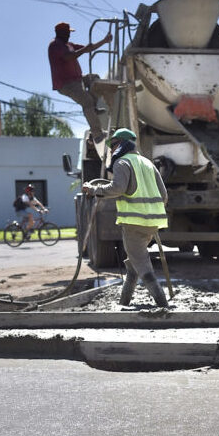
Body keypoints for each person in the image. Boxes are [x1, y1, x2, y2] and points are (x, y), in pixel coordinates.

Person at [83, 128, 170, 307]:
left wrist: (94, 190)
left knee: (142, 263)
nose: (112, 150)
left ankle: (161, 302)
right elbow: (164, 195)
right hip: (152, 223)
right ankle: (124, 302)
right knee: (134, 261)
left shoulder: (122, 163)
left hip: (133, 222)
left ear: (122, 144)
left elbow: (118, 188)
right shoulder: (147, 163)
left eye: (113, 145)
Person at [48, 21, 112, 143]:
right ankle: (97, 134)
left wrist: (104, 41)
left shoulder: (68, 44)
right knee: (86, 102)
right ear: (62, 33)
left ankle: (93, 108)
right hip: (66, 84)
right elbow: (68, 57)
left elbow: (88, 48)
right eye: (68, 33)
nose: (69, 36)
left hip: (76, 79)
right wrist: (83, 51)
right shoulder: (55, 45)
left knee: (94, 79)